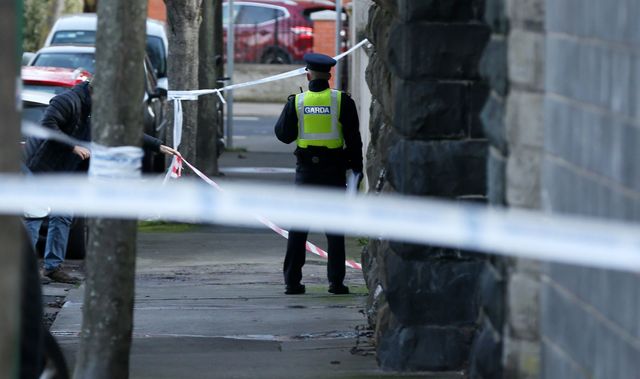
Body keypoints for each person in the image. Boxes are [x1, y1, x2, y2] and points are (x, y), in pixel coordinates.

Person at [24, 79, 177, 284]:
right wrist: (73, 147)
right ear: (93, 91)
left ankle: (53, 268)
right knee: (34, 218)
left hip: (69, 172)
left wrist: (157, 146)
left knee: (63, 217)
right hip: (42, 168)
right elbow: (48, 126)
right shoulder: (67, 101)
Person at [274, 53, 363, 295]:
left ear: (308, 74)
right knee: (334, 229)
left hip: (306, 173)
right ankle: (336, 282)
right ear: (329, 75)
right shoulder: (342, 101)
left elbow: (283, 135)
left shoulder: (298, 101)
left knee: (299, 228)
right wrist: (357, 168)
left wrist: (289, 107)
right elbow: (354, 140)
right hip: (333, 171)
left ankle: (292, 282)